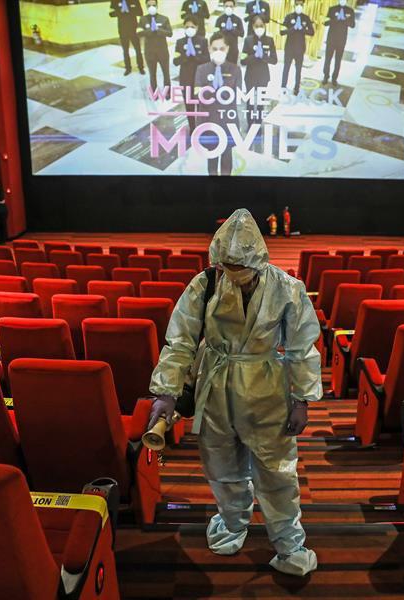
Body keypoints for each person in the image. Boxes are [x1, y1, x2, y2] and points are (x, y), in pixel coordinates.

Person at [148, 208, 321, 576]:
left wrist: (301, 400)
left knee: (276, 471)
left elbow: (302, 348)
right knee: (221, 464)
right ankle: (231, 524)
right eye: (228, 269)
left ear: (259, 261)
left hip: (266, 389)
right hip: (216, 385)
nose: (236, 278)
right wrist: (164, 392)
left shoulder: (288, 289)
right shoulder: (205, 284)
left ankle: (290, 545)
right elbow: (179, 341)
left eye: (242, 271)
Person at [194, 32, 241, 176]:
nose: (218, 52)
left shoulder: (235, 69)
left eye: (222, 48)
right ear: (209, 49)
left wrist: (212, 93)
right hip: (209, 122)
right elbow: (197, 95)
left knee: (227, 158)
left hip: (228, 121)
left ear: (227, 49)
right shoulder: (201, 69)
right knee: (212, 160)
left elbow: (237, 96)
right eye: (215, 49)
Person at [241, 16, 277, 129]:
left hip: (263, 75)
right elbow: (243, 60)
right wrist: (254, 56)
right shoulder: (248, 40)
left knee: (260, 102)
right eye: (257, 26)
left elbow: (274, 60)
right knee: (250, 102)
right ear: (252, 27)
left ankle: (258, 124)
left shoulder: (269, 40)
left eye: (261, 26)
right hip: (250, 75)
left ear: (265, 26)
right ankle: (250, 124)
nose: (259, 28)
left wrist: (263, 57)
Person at [174, 17, 210, 131]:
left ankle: (200, 127)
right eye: (187, 27)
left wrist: (195, 56)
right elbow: (175, 61)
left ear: (197, 28)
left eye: (192, 27)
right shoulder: (180, 42)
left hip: (199, 79)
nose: (190, 29)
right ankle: (192, 127)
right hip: (185, 78)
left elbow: (207, 59)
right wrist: (185, 56)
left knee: (200, 104)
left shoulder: (203, 41)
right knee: (189, 105)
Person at [280, 0, 314, 95]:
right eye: (297, 4)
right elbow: (282, 32)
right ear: (294, 5)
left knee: (298, 69)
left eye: (301, 5)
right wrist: (293, 29)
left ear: (303, 5)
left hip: (300, 48)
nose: (299, 6)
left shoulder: (306, 18)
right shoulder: (289, 16)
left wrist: (303, 29)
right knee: (286, 68)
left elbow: (312, 32)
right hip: (289, 48)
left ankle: (296, 88)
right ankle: (283, 86)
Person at [138, 0, 173, 92]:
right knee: (152, 74)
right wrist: (150, 30)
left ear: (157, 6)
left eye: (153, 5)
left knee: (166, 74)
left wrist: (158, 30)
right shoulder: (142, 19)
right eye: (149, 5)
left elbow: (170, 33)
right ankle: (154, 92)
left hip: (162, 51)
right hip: (149, 52)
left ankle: (168, 92)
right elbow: (139, 33)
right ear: (146, 6)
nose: (151, 7)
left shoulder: (164, 19)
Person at [322, 0, 355, 85]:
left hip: (342, 39)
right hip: (331, 38)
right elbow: (325, 23)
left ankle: (334, 78)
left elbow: (352, 25)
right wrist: (335, 19)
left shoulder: (350, 11)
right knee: (327, 59)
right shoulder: (332, 9)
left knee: (338, 60)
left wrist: (344, 20)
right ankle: (326, 76)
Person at [109, 0, 145, 76]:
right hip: (122, 29)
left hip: (134, 29)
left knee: (138, 50)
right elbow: (111, 14)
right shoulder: (114, 1)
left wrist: (128, 10)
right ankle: (128, 68)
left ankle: (141, 68)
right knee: (125, 50)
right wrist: (121, 11)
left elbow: (140, 12)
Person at [214, 0, 245, 65]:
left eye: (231, 6)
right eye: (227, 6)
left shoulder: (238, 19)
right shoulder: (219, 19)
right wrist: (224, 30)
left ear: (234, 7)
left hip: (233, 49)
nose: (229, 8)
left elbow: (242, 33)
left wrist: (233, 29)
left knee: (232, 69)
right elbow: (215, 34)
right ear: (223, 6)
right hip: (222, 48)